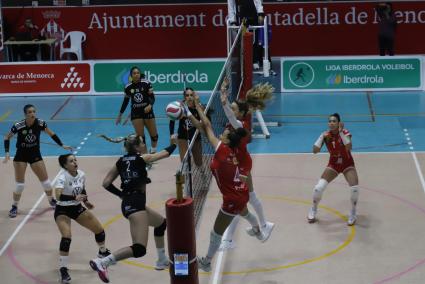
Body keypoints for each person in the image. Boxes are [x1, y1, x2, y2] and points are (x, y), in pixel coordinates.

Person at [186, 93, 267, 273]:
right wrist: (198, 107)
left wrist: (197, 106)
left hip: (232, 198)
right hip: (241, 192)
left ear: (228, 140)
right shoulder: (230, 149)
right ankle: (258, 231)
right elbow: (206, 126)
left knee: (216, 232)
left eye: (225, 132)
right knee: (245, 212)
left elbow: (206, 125)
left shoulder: (221, 150)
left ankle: (206, 262)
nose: (222, 132)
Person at [89, 134, 177, 283]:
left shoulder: (120, 161)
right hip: (135, 205)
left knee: (161, 224)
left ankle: (161, 260)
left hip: (130, 203)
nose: (144, 145)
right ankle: (103, 262)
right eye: (143, 142)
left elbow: (106, 183)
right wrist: (174, 143)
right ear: (137, 147)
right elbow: (165, 153)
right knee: (139, 249)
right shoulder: (142, 158)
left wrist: (121, 195)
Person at [219, 79, 274, 250]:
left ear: (241, 113)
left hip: (242, 164)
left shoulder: (241, 124)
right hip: (241, 162)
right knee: (250, 196)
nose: (231, 111)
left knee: (238, 201)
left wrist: (224, 98)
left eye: (234, 109)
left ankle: (228, 239)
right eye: (232, 108)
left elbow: (228, 114)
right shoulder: (235, 123)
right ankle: (265, 224)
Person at [3, 104, 72, 218]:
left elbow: (51, 134)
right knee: (20, 185)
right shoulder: (19, 125)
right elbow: (7, 137)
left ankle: (51, 200)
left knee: (46, 182)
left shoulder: (40, 123)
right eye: (30, 112)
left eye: (34, 111)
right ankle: (14, 206)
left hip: (35, 154)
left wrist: (62, 145)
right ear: (25, 114)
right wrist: (6, 153)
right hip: (21, 155)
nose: (32, 114)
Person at [54, 154, 111, 284]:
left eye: (75, 160)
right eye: (71, 161)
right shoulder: (62, 177)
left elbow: (82, 189)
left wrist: (86, 202)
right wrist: (73, 198)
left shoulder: (81, 174)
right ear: (65, 165)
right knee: (66, 237)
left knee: (99, 230)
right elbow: (57, 196)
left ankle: (102, 252)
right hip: (62, 210)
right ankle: (63, 269)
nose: (74, 162)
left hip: (76, 208)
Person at [307, 113, 359, 226]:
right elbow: (314, 151)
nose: (331, 123)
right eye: (329, 121)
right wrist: (321, 138)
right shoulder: (326, 135)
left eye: (334, 121)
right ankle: (313, 209)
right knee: (318, 188)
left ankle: (353, 212)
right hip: (334, 164)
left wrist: (340, 132)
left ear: (339, 123)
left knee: (354, 188)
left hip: (347, 164)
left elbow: (349, 147)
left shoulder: (345, 133)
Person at [116, 66, 158, 155]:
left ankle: (153, 152)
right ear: (131, 75)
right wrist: (120, 115)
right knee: (141, 139)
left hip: (148, 112)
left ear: (140, 74)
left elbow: (152, 97)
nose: (136, 75)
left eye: (138, 73)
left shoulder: (146, 83)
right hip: (136, 114)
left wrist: (150, 105)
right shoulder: (128, 87)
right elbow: (126, 101)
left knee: (154, 136)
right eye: (134, 73)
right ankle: (146, 158)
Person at [227, 0, 265, 69]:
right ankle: (243, 62)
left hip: (253, 15)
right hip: (242, 17)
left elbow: (258, 1)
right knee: (242, 39)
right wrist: (232, 20)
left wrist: (260, 13)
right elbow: (230, 6)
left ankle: (254, 60)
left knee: (254, 37)